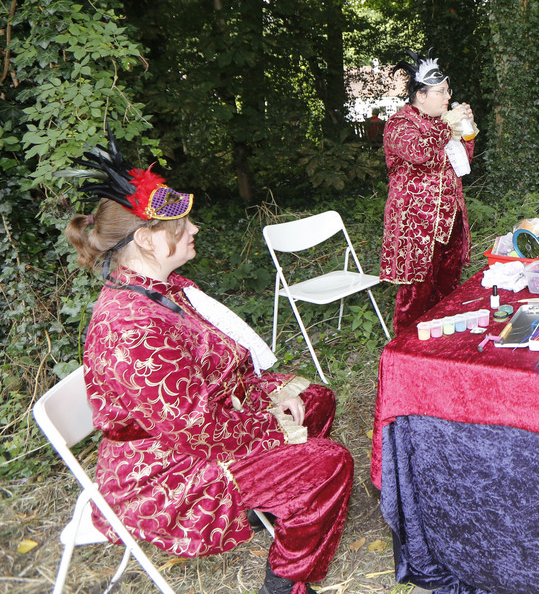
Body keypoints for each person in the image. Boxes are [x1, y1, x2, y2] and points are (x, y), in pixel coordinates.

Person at [63, 135, 353, 594]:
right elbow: (194, 429)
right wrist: (270, 421)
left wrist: (267, 397)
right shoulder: (131, 327)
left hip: (209, 422)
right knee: (328, 463)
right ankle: (284, 584)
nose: (194, 229)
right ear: (146, 240)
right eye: (181, 227)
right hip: (167, 470)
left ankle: (274, 501)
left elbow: (220, 367)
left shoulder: (165, 289)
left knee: (314, 399)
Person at [381, 48, 477, 333]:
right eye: (441, 91)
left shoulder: (441, 123)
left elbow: (463, 163)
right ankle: (406, 349)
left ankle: (441, 348)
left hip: (450, 221)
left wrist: (466, 131)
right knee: (416, 297)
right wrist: (448, 124)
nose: (448, 97)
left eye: (448, 91)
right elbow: (419, 152)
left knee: (448, 290)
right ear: (421, 95)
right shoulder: (400, 124)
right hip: (416, 225)